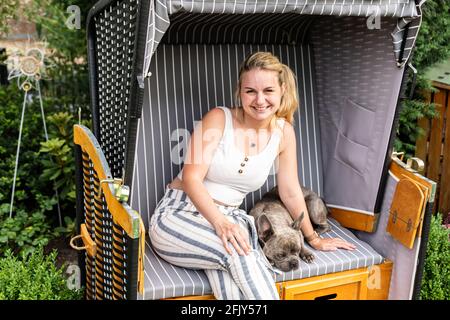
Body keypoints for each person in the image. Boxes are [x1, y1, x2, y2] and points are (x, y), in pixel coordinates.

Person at [149, 52, 356, 300]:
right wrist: (220, 223)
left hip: (230, 221)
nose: (259, 100)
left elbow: (290, 191)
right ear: (240, 92)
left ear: (282, 91)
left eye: (268, 90)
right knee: (240, 255)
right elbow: (191, 178)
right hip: (179, 214)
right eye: (250, 91)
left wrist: (313, 238)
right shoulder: (218, 119)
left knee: (232, 283)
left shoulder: (284, 133)